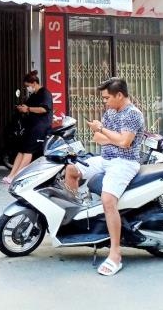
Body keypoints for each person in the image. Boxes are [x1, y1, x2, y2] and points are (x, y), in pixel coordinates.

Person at [63, 77, 144, 276]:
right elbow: (98, 139)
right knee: (71, 170)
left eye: (107, 98)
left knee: (108, 200)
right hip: (105, 159)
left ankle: (115, 252)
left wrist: (103, 131)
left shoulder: (133, 114)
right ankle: (76, 220)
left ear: (119, 95)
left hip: (124, 163)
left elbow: (125, 143)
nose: (105, 101)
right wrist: (110, 136)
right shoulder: (110, 112)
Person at [3, 70, 53, 184]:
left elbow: (44, 109)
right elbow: (28, 105)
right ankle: (11, 175)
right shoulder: (33, 95)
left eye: (28, 86)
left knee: (28, 151)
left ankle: (17, 176)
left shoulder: (45, 93)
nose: (27, 88)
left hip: (40, 127)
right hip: (31, 126)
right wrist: (23, 107)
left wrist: (28, 109)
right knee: (21, 150)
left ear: (34, 83)